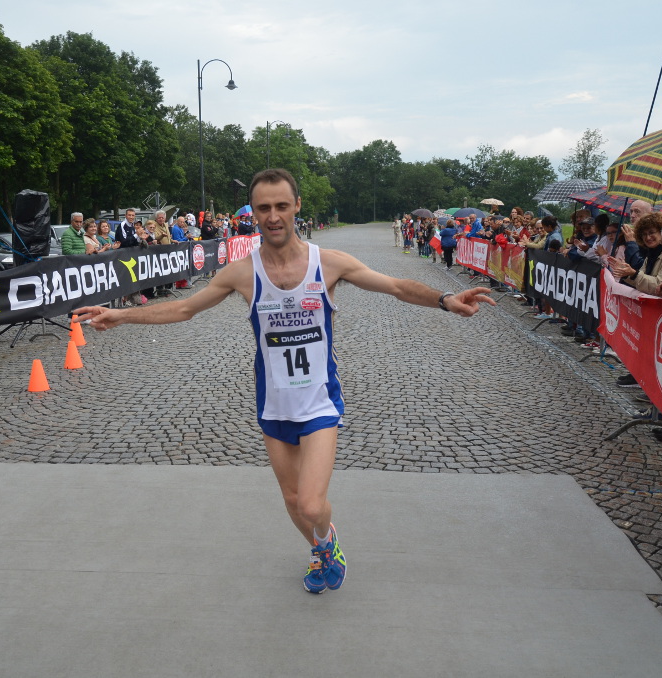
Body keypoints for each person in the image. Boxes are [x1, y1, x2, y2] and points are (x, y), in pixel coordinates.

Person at [74, 168, 496, 594]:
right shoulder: (241, 272)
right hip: (272, 404)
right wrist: (121, 314)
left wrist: (445, 300)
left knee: (312, 503)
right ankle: (318, 550)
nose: (273, 216)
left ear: (296, 206)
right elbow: (184, 309)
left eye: (281, 205)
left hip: (319, 402)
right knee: (293, 501)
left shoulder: (327, 263)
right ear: (254, 214)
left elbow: (396, 286)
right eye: (263, 208)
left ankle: (328, 542)